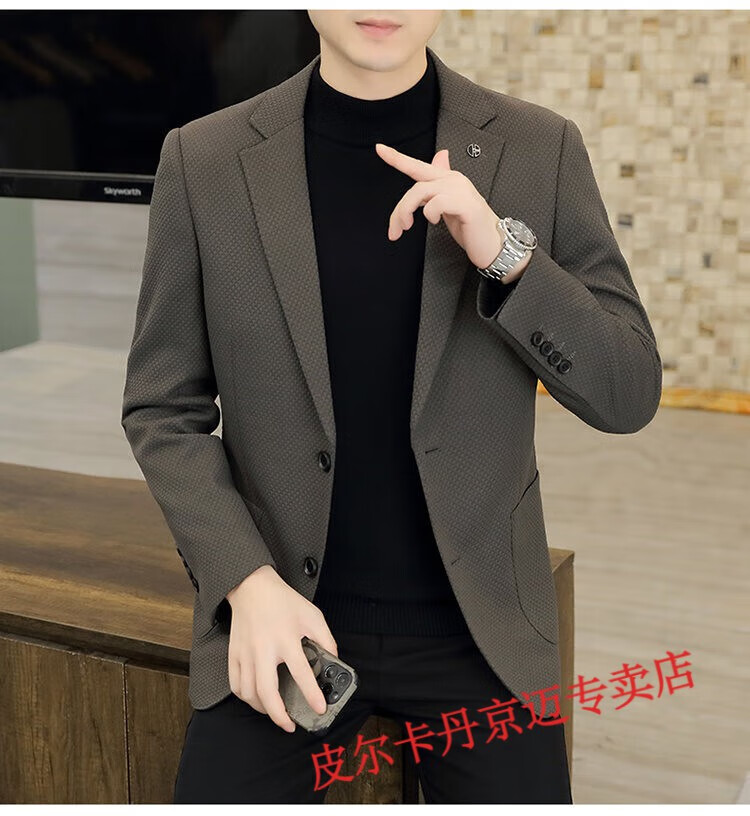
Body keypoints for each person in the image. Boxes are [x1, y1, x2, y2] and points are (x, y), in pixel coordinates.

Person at [121, 9, 661, 804]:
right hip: (289, 621)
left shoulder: (538, 147)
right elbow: (162, 407)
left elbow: (628, 392)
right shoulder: (203, 159)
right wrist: (246, 581)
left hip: (480, 632)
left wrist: (505, 255)